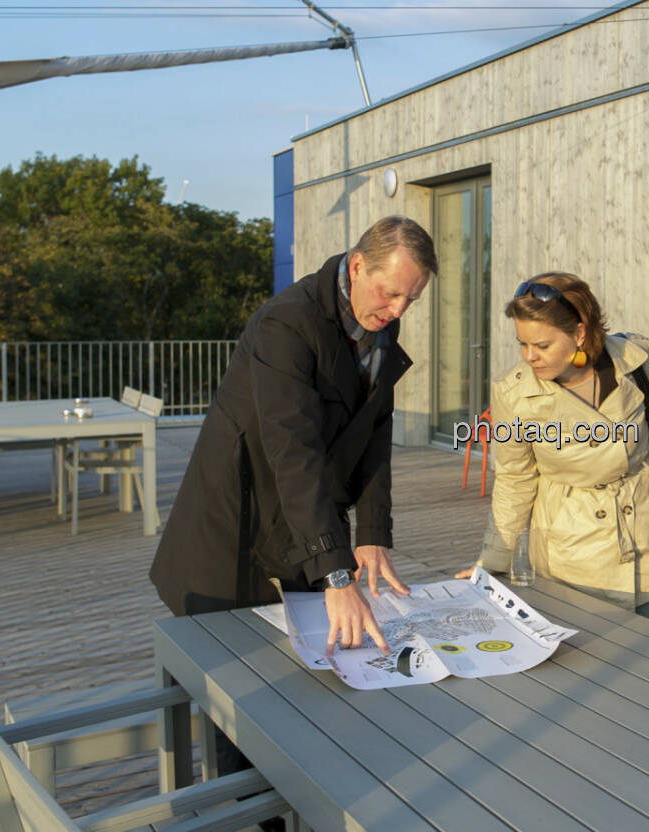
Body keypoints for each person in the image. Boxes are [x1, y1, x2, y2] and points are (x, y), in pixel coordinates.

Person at [150, 215, 436, 657]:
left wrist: (373, 532)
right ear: (358, 266)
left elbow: (375, 431)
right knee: (231, 682)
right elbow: (293, 452)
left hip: (302, 524)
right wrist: (336, 574)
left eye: (411, 299)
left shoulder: (379, 323)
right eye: (391, 292)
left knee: (308, 674)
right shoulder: (285, 325)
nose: (398, 310)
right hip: (237, 527)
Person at [461, 273, 649, 614]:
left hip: (645, 532)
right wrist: (494, 559)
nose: (530, 356)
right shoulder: (514, 393)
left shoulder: (632, 358)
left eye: (542, 345)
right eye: (523, 343)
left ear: (579, 333)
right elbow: (514, 479)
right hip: (572, 552)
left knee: (646, 654)